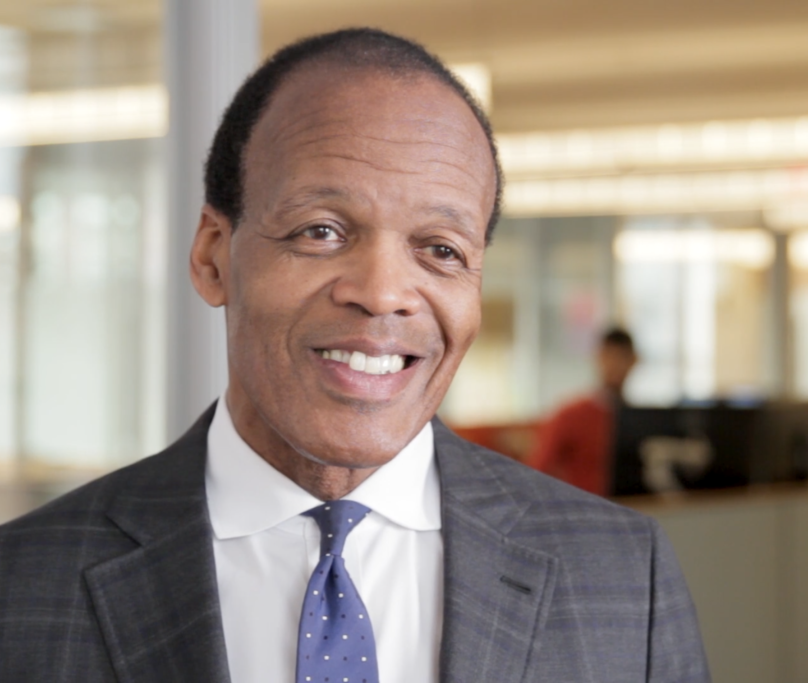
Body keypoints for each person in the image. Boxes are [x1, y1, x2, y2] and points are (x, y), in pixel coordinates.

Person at [0, 29, 709, 683]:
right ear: (213, 255)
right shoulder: (23, 588)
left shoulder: (623, 577)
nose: (382, 295)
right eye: (321, 230)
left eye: (440, 249)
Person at [529, 328, 637, 496]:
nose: (615, 365)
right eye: (609, 356)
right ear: (598, 358)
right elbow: (536, 470)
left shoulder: (639, 419)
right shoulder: (570, 415)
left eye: (622, 357)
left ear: (634, 361)